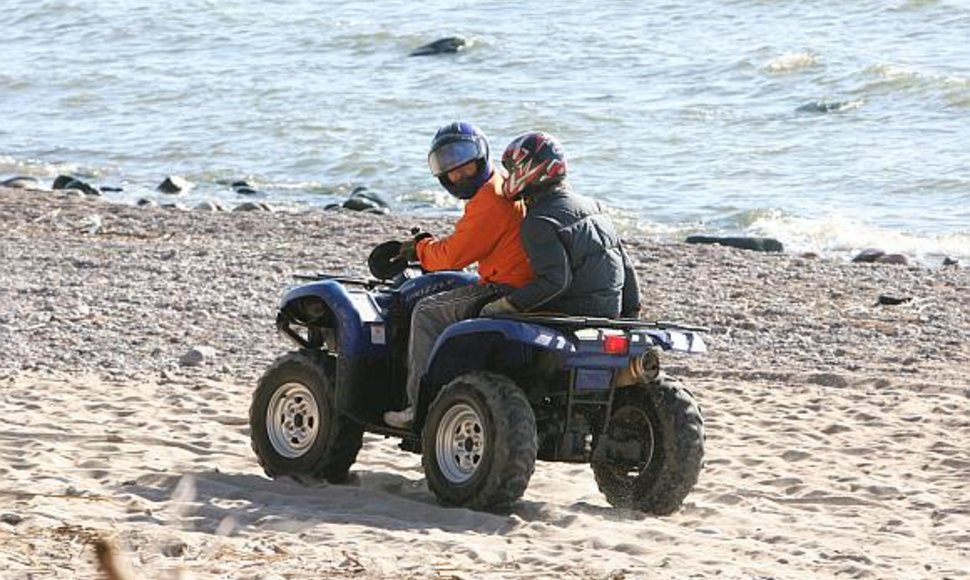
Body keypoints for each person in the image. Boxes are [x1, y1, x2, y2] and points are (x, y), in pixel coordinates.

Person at [383, 122, 534, 428]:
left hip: (505, 286)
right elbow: (470, 243)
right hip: (522, 280)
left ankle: (417, 408)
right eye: (448, 164)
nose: (459, 169)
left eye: (464, 157)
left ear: (481, 153)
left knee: (426, 312)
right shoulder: (503, 183)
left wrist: (420, 249)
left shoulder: (488, 199)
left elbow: (452, 256)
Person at [480, 131, 641, 319]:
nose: (508, 177)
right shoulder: (594, 206)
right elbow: (626, 267)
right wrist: (631, 316)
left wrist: (507, 305)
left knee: (483, 314)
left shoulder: (540, 221)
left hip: (573, 312)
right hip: (610, 311)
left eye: (512, 170)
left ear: (530, 169)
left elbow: (555, 282)